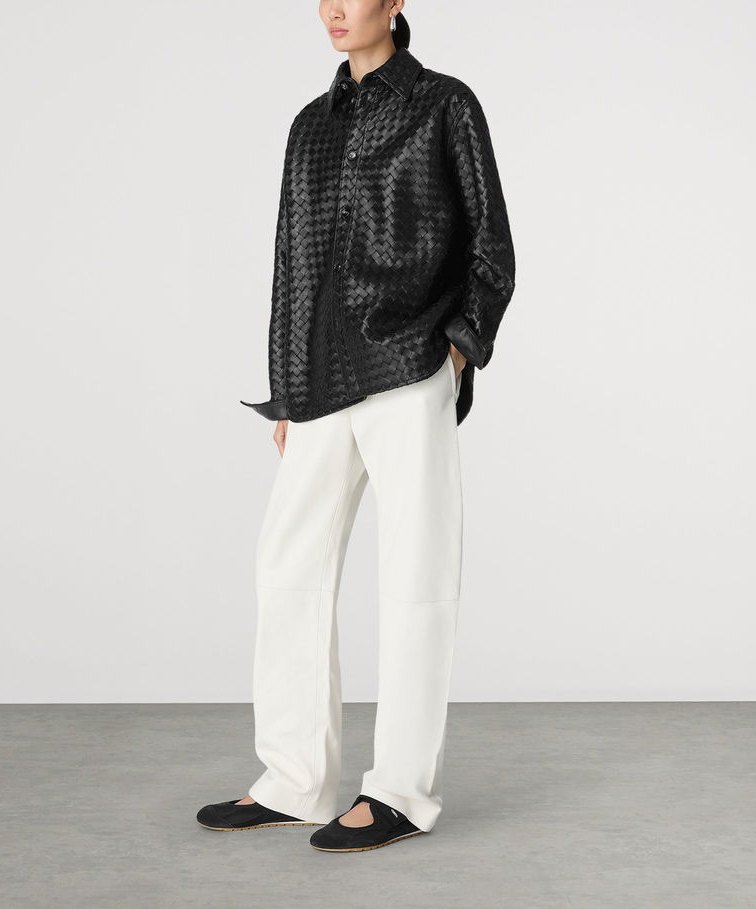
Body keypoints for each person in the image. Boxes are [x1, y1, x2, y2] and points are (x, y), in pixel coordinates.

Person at [197, 0, 515, 853]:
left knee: (415, 577)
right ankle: (295, 778)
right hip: (320, 381)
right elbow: (290, 267)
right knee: (287, 567)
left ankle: (400, 792)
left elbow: (492, 248)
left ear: (397, 0)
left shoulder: (444, 105)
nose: (335, 8)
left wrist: (457, 353)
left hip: (408, 367)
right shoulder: (310, 125)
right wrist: (287, 390)